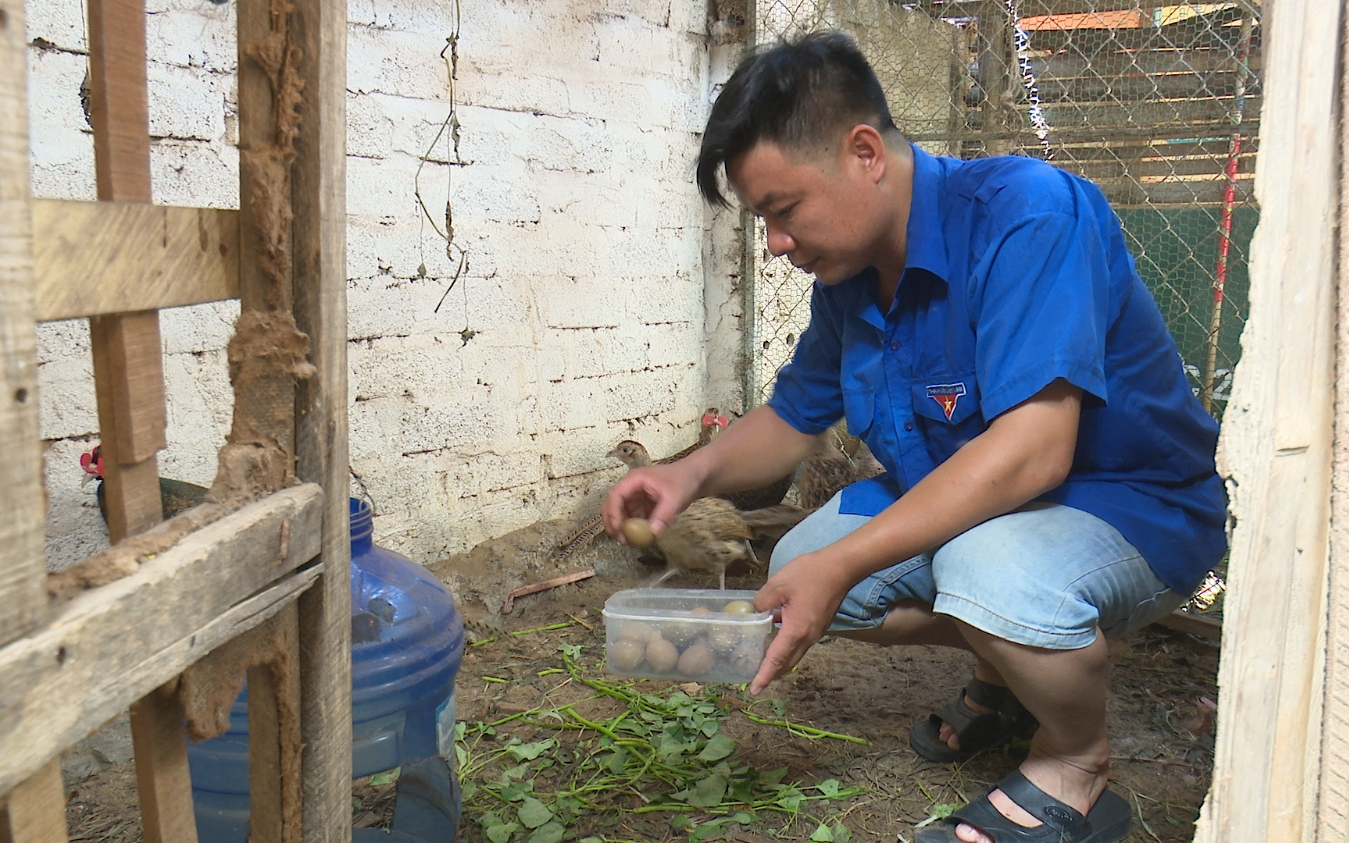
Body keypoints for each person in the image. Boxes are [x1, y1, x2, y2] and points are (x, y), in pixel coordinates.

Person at [601, 30, 1226, 843]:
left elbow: (1034, 452)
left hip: (1130, 509)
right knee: (799, 566)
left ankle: (1074, 761)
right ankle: (1007, 665)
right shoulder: (851, 275)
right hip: (988, 510)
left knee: (978, 571)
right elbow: (793, 418)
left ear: (864, 152)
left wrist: (848, 557)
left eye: (781, 211)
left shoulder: (1026, 213)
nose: (776, 244)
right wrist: (692, 475)